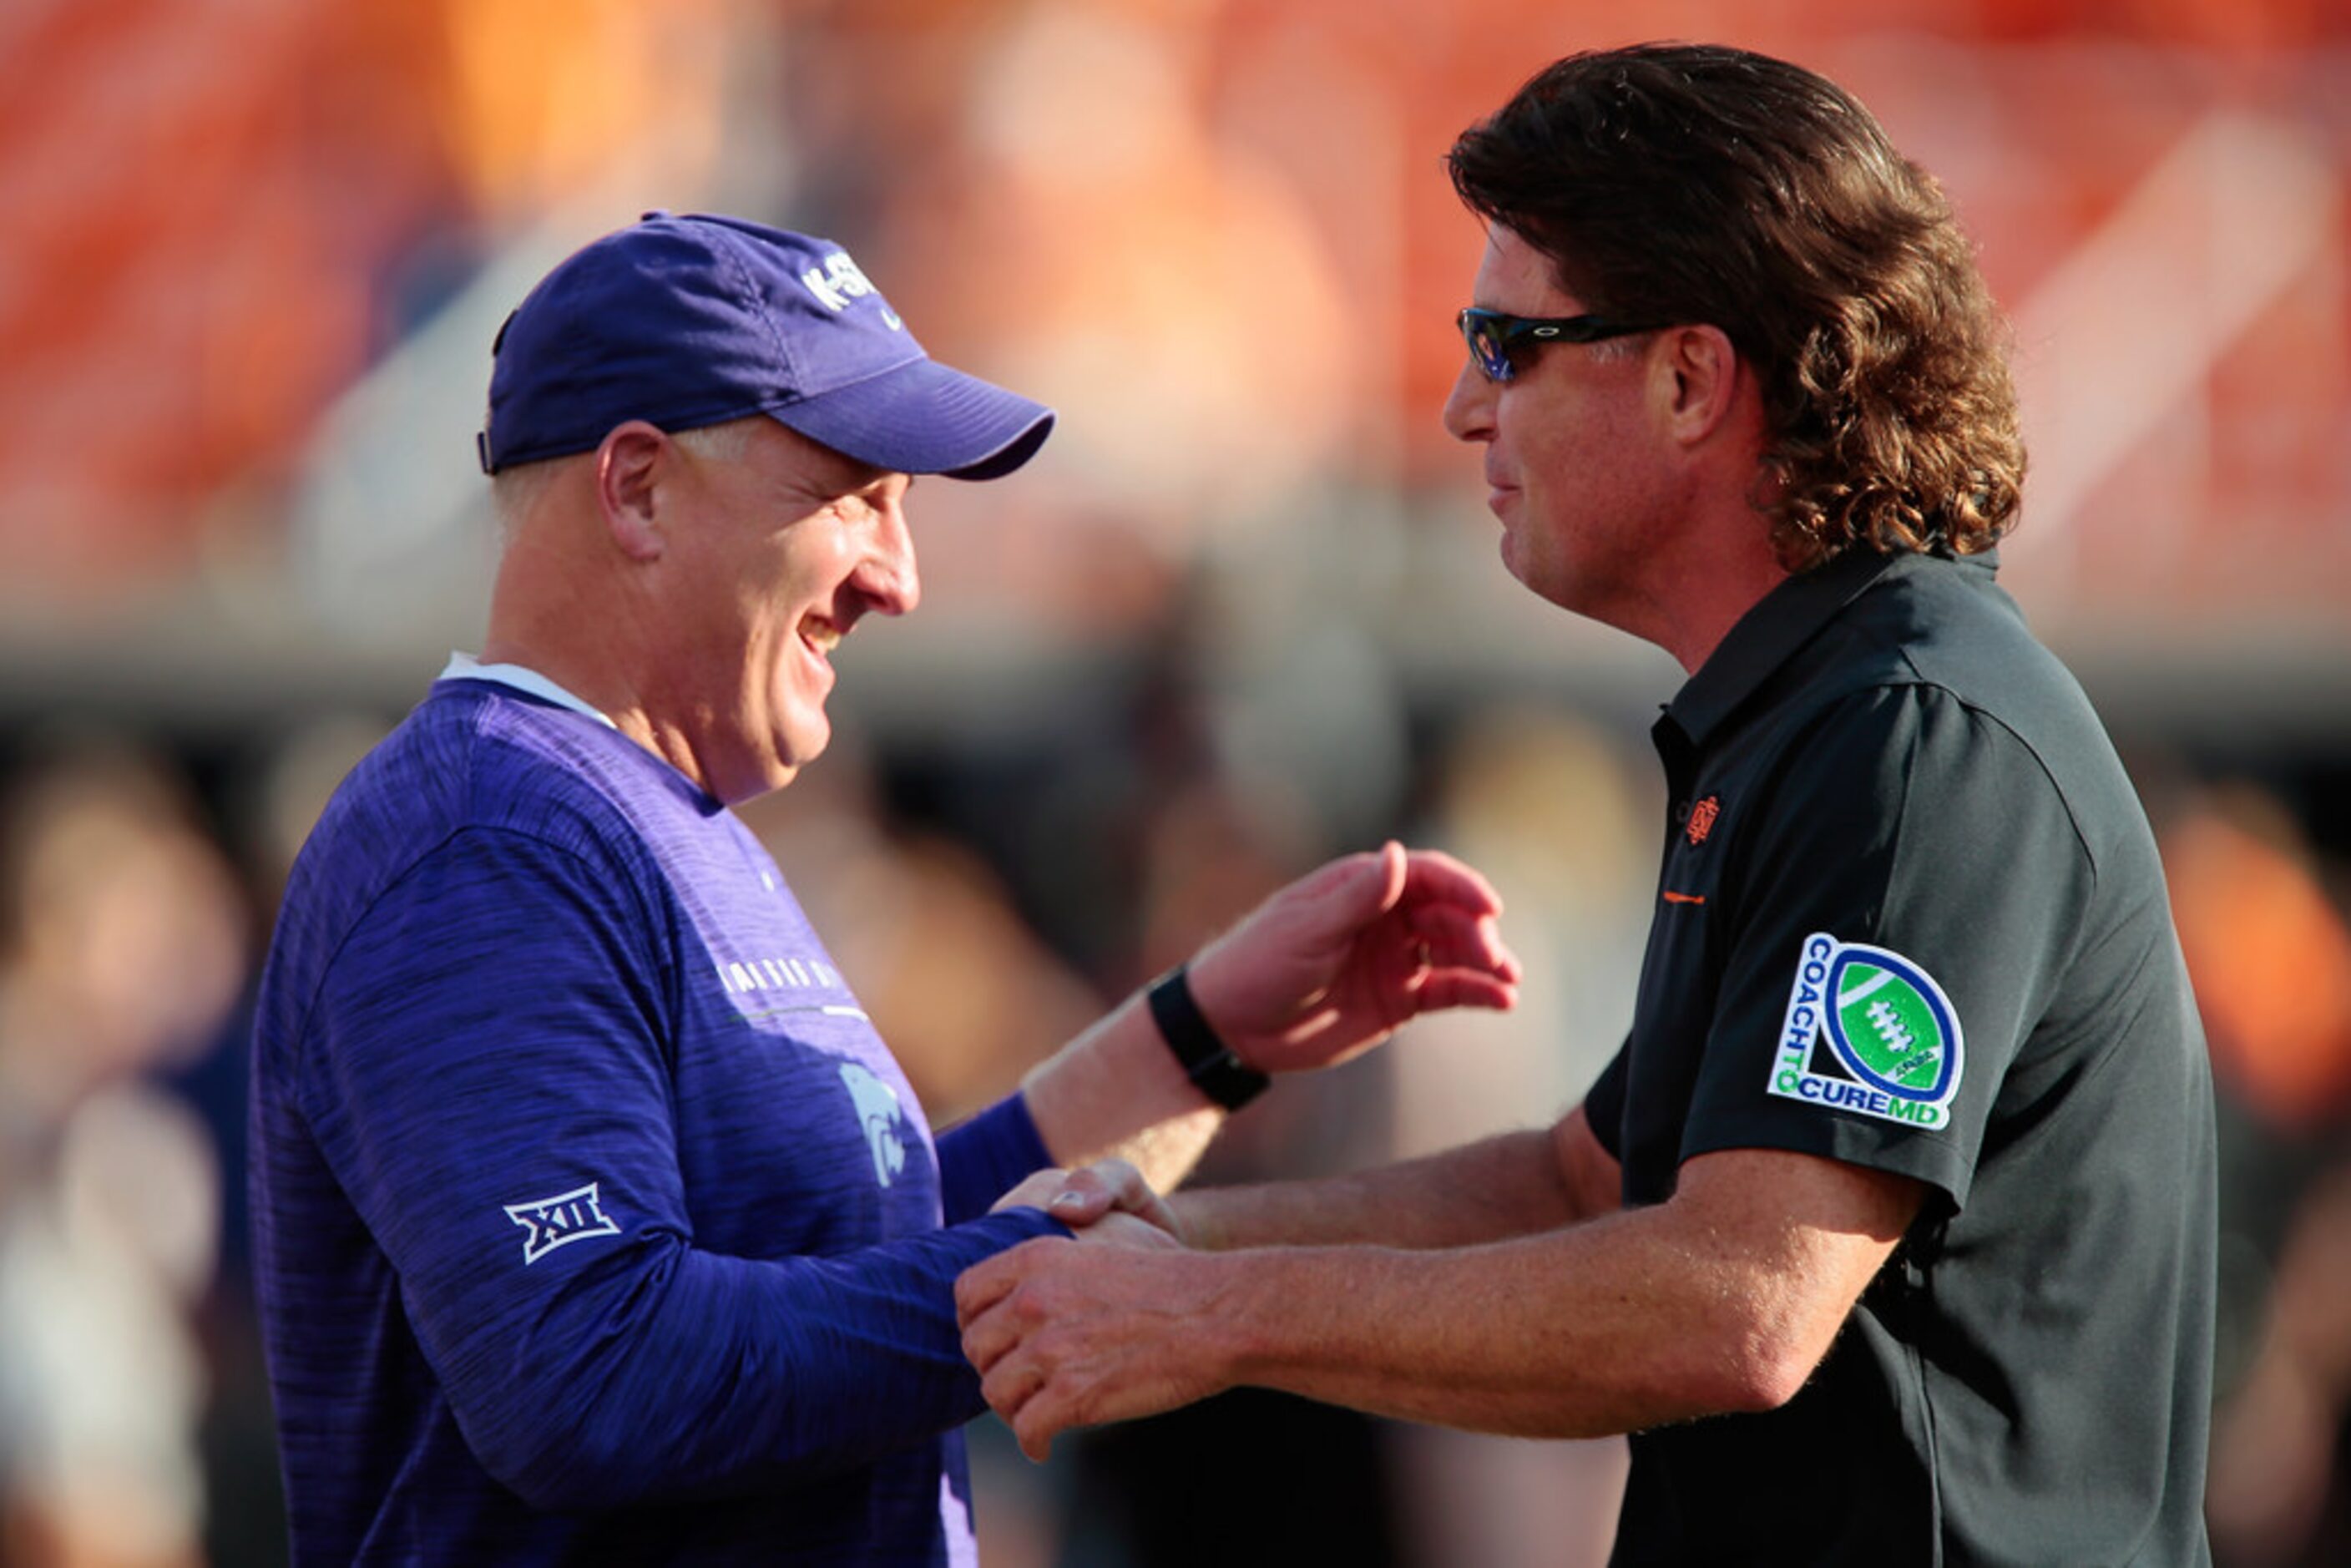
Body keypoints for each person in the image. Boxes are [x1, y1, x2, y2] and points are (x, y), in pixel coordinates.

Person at [957, 43, 2217, 1565]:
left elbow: (1739, 1302)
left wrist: (1209, 1314)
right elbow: (1580, 1179)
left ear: (1691, 378)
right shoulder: (1815, 711)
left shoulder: (1906, 736)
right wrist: (1178, 1231)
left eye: (1505, 344)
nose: (1458, 412)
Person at [246, 212, 1523, 1565]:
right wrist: (1042, 1288)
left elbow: (875, 1238)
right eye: (855, 491)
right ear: (635, 488)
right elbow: (587, 1372)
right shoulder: (485, 837)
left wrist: (1204, 1036)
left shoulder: (655, 816)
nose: (899, 579)